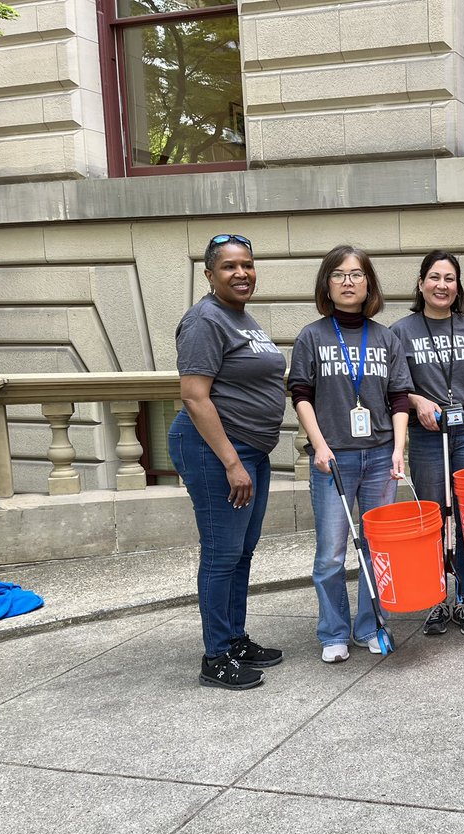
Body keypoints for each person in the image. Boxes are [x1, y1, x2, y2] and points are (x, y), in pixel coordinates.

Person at [168, 234, 287, 690]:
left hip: (249, 451)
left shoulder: (239, 317)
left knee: (242, 551)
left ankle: (235, 638)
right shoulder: (204, 320)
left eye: (248, 265)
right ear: (209, 275)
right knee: (221, 554)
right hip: (215, 451)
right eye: (229, 267)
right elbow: (195, 397)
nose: (241, 273)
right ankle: (215, 657)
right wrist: (232, 463)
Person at [289, 246, 412, 664]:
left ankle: (371, 625)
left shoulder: (386, 337)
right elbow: (301, 395)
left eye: (356, 275)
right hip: (333, 458)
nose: (347, 281)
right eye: (339, 274)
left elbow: (399, 398)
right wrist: (319, 444)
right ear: (327, 283)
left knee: (376, 548)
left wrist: (399, 450)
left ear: (369, 284)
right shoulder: (312, 336)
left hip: (379, 455)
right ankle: (334, 632)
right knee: (331, 553)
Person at [391, 250, 464, 637]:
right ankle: (436, 600)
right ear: (421, 284)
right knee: (434, 517)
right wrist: (418, 400)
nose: (442, 285)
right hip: (427, 429)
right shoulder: (401, 330)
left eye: (449, 278)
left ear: (457, 286)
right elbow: (396, 388)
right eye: (434, 277)